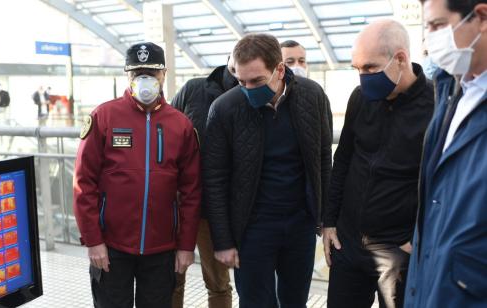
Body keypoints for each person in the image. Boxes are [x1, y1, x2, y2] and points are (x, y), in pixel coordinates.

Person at [204, 33, 332, 308]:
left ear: (280, 70)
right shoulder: (225, 108)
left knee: (295, 301)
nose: (248, 88)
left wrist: (324, 216)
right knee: (255, 303)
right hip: (252, 229)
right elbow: (214, 178)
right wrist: (223, 241)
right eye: (241, 81)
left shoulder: (312, 96)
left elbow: (323, 157)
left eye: (257, 81)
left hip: (300, 225)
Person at [73, 41, 201, 308]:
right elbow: (83, 183)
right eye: (137, 73)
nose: (145, 80)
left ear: (164, 74)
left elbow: (191, 191)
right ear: (127, 76)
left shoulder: (181, 125)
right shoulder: (104, 116)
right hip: (111, 247)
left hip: (162, 249)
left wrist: (186, 244)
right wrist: (93, 240)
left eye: (151, 73)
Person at [322, 20, 434, 308]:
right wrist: (330, 222)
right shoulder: (361, 98)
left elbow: (442, 184)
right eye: (357, 69)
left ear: (400, 58)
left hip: (398, 250)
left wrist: (416, 241)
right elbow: (343, 159)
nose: (363, 77)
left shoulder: (436, 105)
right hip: (347, 244)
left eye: (370, 68)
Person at [405, 1, 487, 307]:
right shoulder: (451, 90)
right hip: (433, 289)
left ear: (480, 17)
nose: (429, 40)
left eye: (438, 26)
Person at [170, 56, 238, 308]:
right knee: (172, 279)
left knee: (218, 282)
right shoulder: (194, 89)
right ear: (230, 59)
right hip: (179, 203)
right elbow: (165, 129)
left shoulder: (252, 95)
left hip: (216, 210)